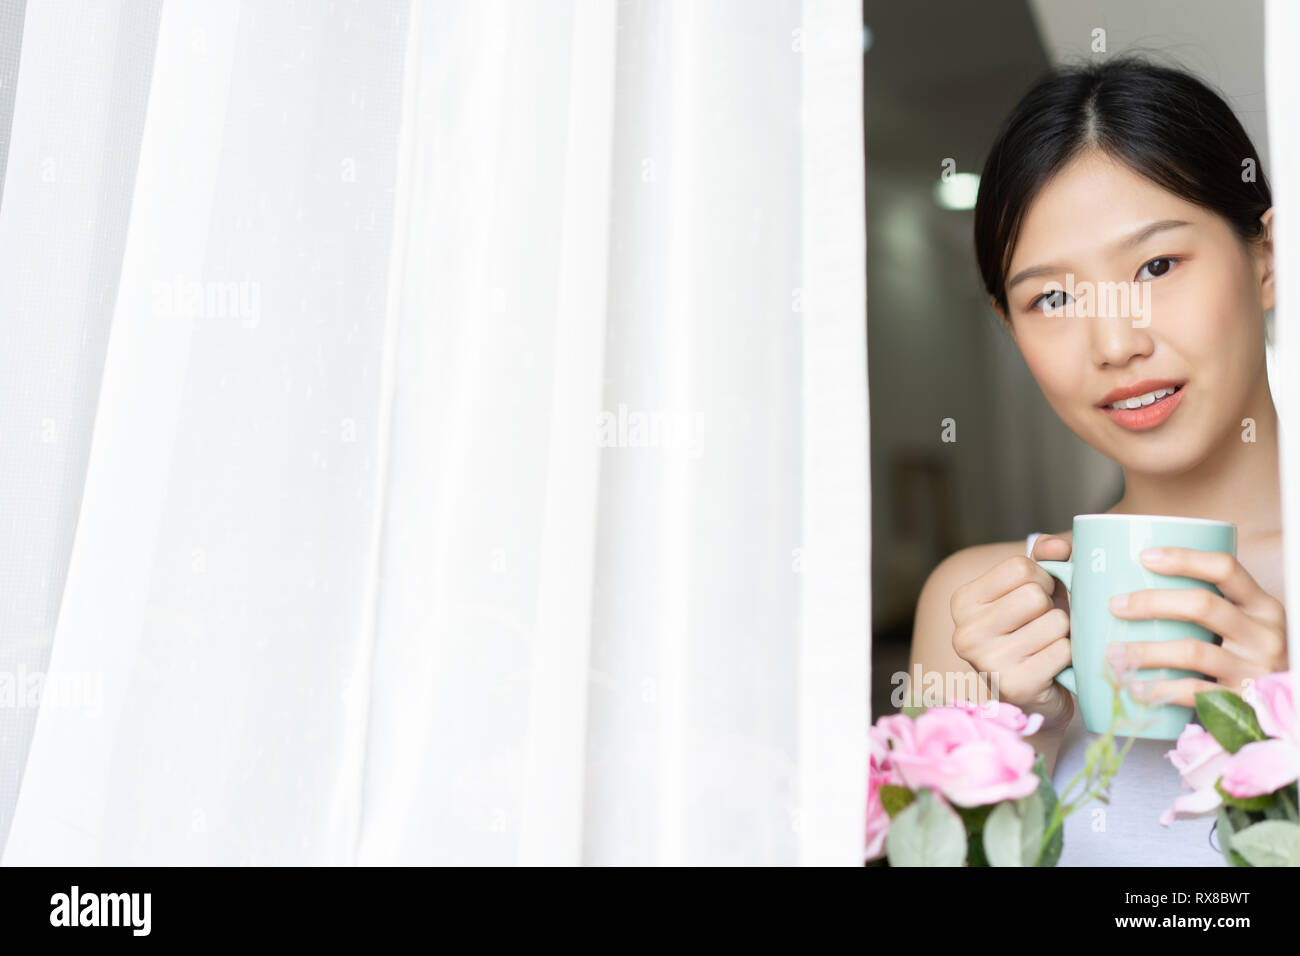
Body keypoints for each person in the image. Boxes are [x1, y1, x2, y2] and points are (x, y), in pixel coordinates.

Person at [907, 55, 1289, 866]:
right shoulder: (977, 615)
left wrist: (1276, 752)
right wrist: (1025, 745)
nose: (1116, 344)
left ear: (1265, 257)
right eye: (1053, 298)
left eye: (1156, 267)